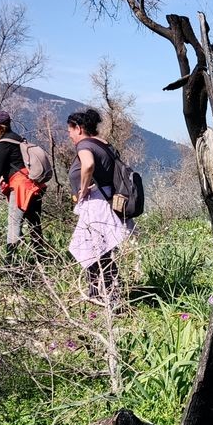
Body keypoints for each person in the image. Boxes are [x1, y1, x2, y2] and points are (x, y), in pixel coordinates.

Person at [66, 109, 132, 303]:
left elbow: (88, 165)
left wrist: (83, 189)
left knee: (94, 251)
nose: (69, 135)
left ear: (78, 128)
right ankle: (101, 295)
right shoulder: (103, 143)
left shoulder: (84, 144)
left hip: (97, 203)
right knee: (100, 251)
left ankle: (109, 297)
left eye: (70, 130)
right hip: (109, 200)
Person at [0, 110, 45, 263]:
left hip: (21, 188)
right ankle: (41, 260)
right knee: (35, 225)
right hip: (34, 186)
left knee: (14, 225)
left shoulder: (4, 144)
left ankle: (10, 264)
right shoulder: (18, 139)